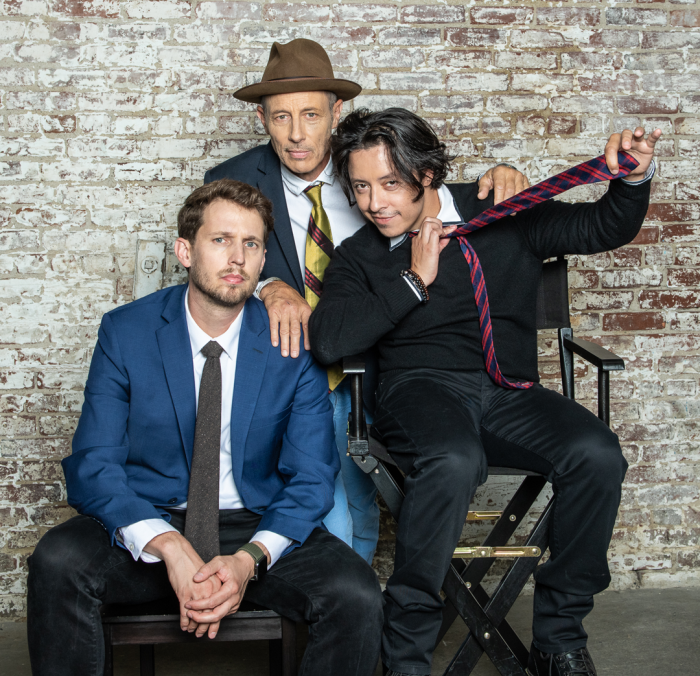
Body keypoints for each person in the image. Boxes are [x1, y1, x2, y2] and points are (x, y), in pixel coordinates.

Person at [308, 107, 660, 676]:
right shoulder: (363, 255)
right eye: (362, 187)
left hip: (508, 392)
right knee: (451, 458)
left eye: (390, 183)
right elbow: (329, 340)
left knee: (596, 454)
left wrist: (633, 178)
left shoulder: (503, 211)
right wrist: (413, 280)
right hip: (419, 393)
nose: (375, 203)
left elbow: (599, 227)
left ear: (426, 175)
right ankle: (406, 658)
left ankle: (559, 639)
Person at [27, 179, 383, 676]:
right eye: (221, 240)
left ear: (263, 262)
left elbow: (311, 478)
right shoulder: (125, 332)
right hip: (152, 517)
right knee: (57, 562)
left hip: (252, 523)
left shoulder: (291, 346)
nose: (237, 257)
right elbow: (94, 464)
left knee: (355, 593)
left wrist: (247, 561)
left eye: (251, 244)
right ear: (185, 250)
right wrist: (169, 547)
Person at [204, 37, 530, 562]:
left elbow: (437, 195)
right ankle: (343, 604)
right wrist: (270, 285)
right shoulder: (233, 180)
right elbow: (215, 259)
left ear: (337, 113)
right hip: (294, 363)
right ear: (262, 119)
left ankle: (351, 606)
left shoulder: (373, 168)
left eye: (310, 114)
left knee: (360, 491)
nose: (296, 134)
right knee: (325, 495)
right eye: (280, 117)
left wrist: (501, 177)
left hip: (385, 358)